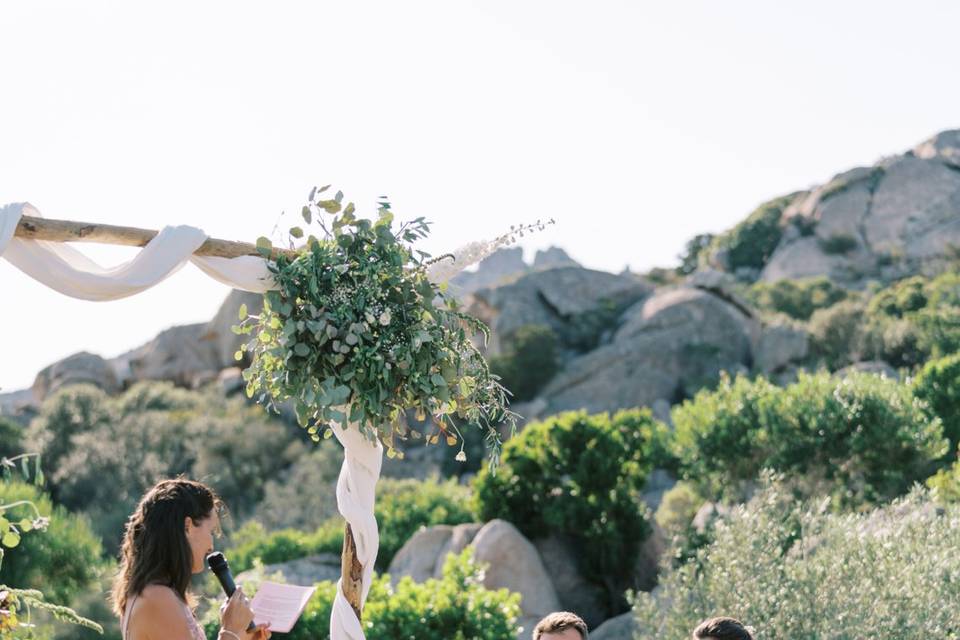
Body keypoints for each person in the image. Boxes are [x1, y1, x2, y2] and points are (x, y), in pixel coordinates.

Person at [111, 478, 271, 640]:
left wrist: (240, 635)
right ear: (187, 526)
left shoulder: (154, 593)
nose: (211, 546)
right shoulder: (158, 598)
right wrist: (230, 630)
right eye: (211, 531)